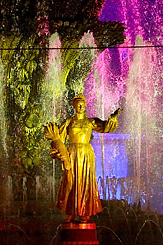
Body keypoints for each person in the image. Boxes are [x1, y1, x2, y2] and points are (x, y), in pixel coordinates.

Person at [45, 94, 121, 222]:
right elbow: (59, 139)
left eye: (82, 104)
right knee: (72, 181)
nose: (80, 106)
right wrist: (57, 152)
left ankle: (85, 211)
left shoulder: (90, 122)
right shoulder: (69, 122)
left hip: (86, 153)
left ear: (85, 105)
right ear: (74, 106)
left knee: (86, 181)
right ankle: (70, 210)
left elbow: (105, 127)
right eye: (78, 104)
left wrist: (113, 118)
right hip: (72, 153)